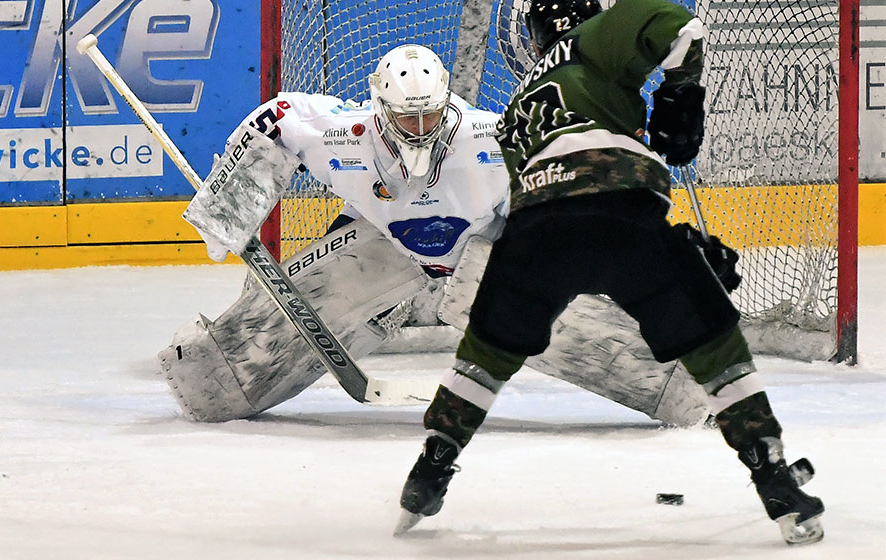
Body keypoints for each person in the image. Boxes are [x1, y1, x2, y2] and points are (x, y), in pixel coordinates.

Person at [393, 0, 825, 546]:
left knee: (487, 354)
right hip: (624, 217)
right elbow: (680, 27)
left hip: (535, 232)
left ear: (533, 36)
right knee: (712, 341)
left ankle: (429, 469)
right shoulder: (593, 38)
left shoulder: (514, 113)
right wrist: (682, 92)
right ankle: (774, 478)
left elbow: (541, 194)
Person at [161, 44, 712, 427]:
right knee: (227, 372)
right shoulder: (344, 136)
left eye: (430, 117)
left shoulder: (492, 136)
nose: (420, 130)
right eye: (407, 119)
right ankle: (221, 378)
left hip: (486, 250)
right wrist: (230, 204)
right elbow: (277, 120)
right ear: (379, 106)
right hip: (382, 247)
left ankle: (675, 380)